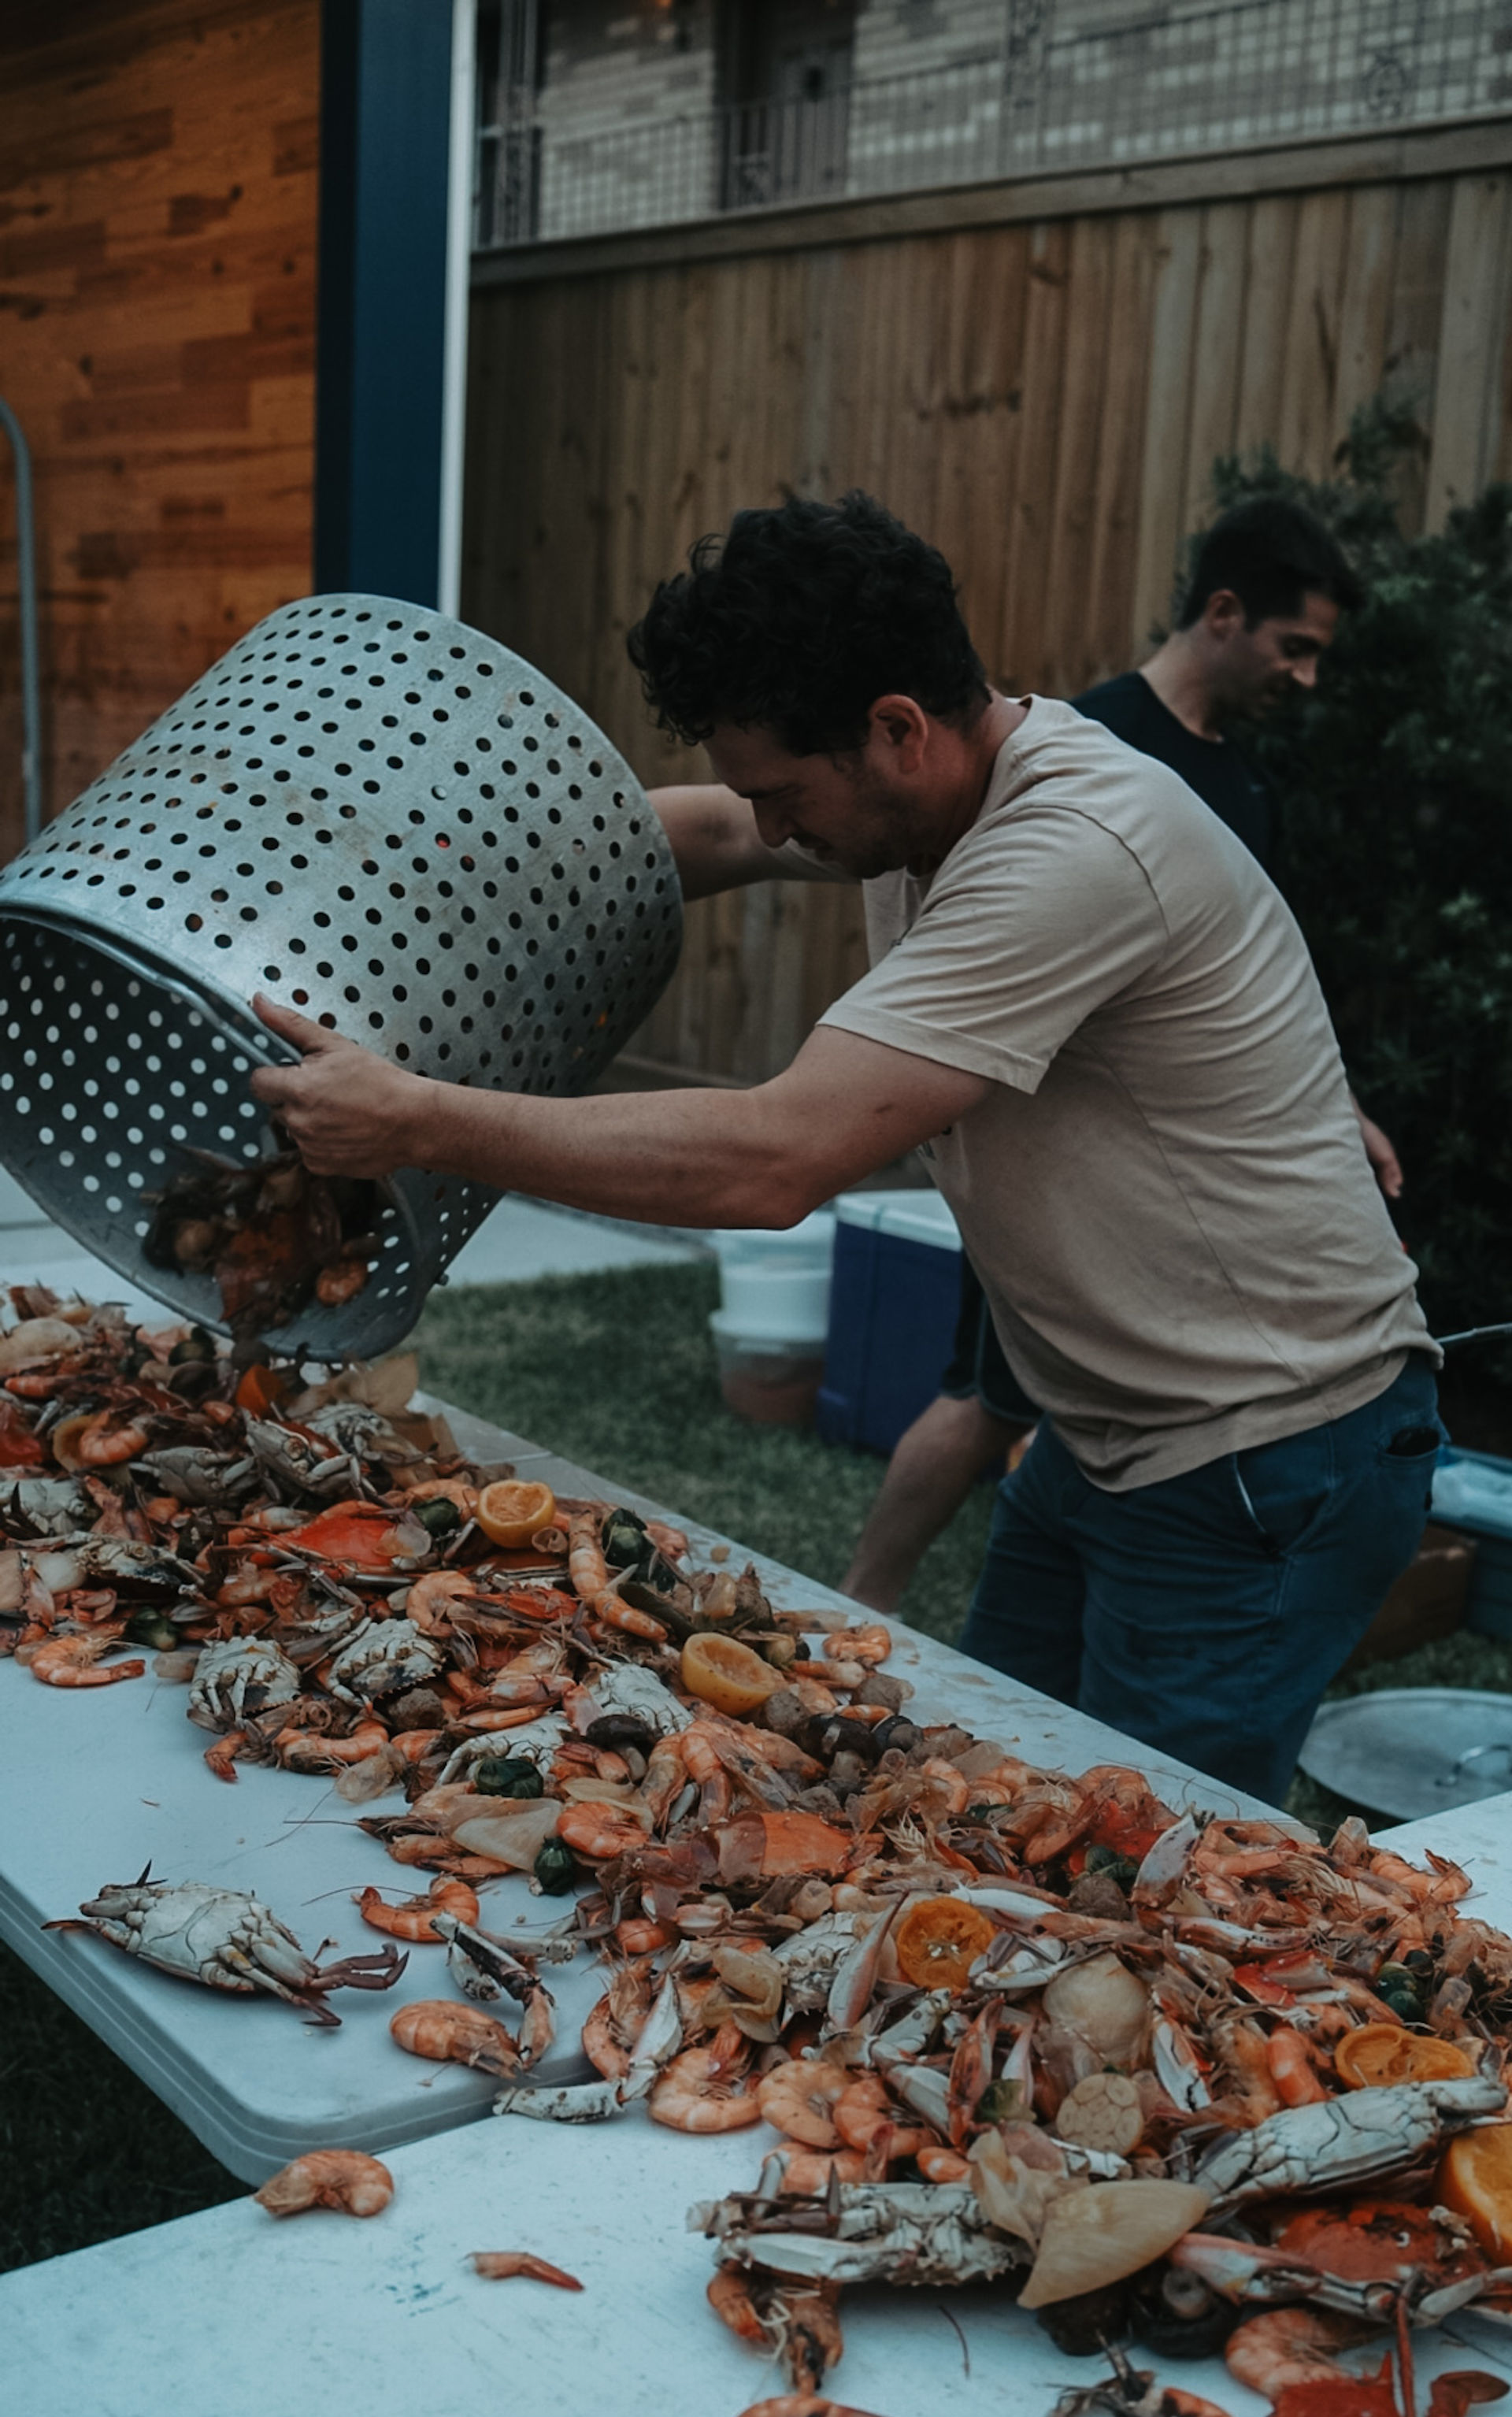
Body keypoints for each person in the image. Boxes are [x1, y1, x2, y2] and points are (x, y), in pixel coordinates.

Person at [250, 490, 1443, 1805]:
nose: (767, 830)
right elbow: (702, 827)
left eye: (787, 795)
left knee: (1139, 1871)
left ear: (896, 728)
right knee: (981, 1797)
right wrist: (437, 863)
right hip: (1110, 1433)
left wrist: (417, 1117)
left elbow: (776, 1157)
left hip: (1265, 1457)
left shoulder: (1072, 850)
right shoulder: (931, 785)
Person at [840, 494, 1402, 1614]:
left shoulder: (1233, 782)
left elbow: (1238, 981)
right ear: (1224, 613)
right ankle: (866, 1601)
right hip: (1037, 1184)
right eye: (1296, 649)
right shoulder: (1089, 753)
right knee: (981, 1397)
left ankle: (864, 1609)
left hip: (1213, 1380)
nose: (1307, 679)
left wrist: (1327, 1100)